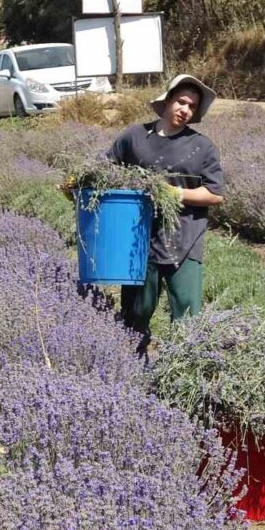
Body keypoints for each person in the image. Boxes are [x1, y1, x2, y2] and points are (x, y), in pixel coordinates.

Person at [106, 74, 225, 353]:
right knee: (137, 310)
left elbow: (215, 194)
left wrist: (176, 193)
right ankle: (130, 363)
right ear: (168, 100)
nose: (185, 109)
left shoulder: (202, 147)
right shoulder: (135, 137)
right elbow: (105, 169)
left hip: (185, 238)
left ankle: (184, 371)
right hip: (139, 240)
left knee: (187, 313)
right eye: (181, 101)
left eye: (192, 106)